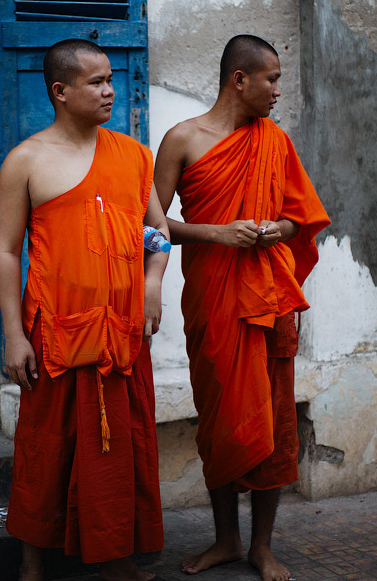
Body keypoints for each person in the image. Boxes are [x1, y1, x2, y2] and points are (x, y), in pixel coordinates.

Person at [153, 35, 329, 581]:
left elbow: (303, 215)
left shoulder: (273, 141)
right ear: (240, 80)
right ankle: (226, 539)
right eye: (272, 79)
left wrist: (280, 227)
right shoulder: (182, 139)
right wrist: (219, 234)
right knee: (222, 418)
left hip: (268, 299)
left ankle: (262, 546)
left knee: (273, 421)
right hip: (214, 295)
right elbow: (152, 226)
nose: (278, 90)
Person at [0, 39, 169, 581]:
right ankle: (32, 560)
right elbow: (5, 251)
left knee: (119, 445)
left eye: (111, 78)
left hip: (120, 330)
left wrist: (152, 287)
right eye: (96, 82)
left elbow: (158, 233)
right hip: (57, 331)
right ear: (60, 91)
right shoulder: (26, 161)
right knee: (46, 447)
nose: (110, 90)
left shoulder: (134, 155)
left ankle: (115, 556)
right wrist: (14, 335)